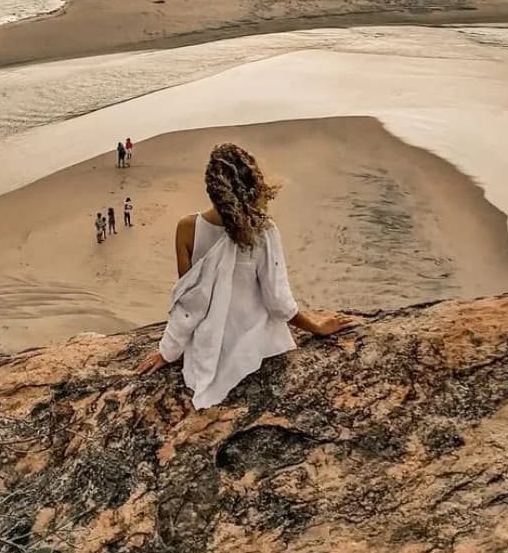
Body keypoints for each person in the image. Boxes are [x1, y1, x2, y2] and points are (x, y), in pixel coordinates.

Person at [135, 143, 355, 408]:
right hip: (255, 345)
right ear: (253, 185)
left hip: (209, 349)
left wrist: (168, 351)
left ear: (211, 187)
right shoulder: (263, 231)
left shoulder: (187, 228)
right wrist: (317, 328)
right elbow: (278, 302)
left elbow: (190, 304)